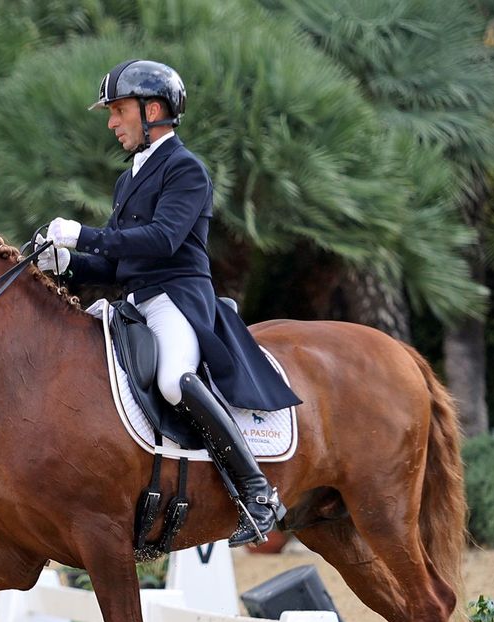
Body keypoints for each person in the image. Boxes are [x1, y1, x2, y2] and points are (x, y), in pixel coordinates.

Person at [37, 59, 302, 546]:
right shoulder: (128, 178)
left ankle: (258, 492)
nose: (112, 122)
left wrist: (85, 235)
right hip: (135, 302)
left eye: (118, 111)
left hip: (175, 299)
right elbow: (119, 266)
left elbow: (160, 241)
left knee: (174, 381)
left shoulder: (186, 169)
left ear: (151, 109)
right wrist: (65, 264)